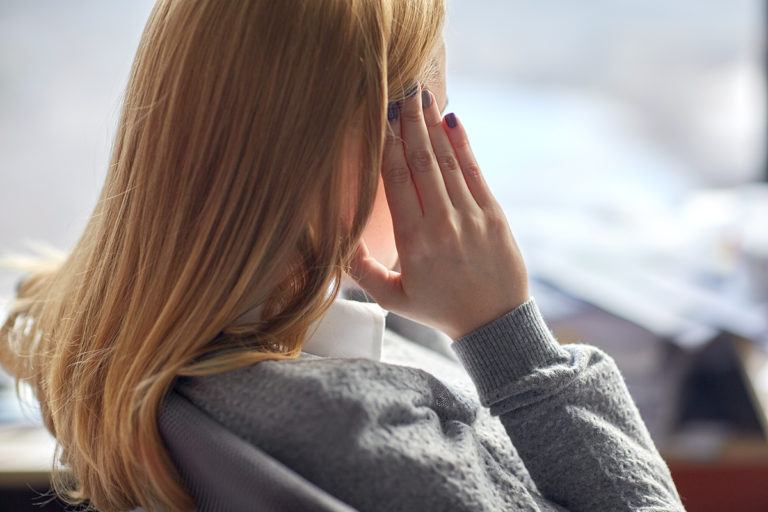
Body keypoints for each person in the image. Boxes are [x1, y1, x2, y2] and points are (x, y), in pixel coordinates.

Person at [0, 0, 685, 511]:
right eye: (434, 118)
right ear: (343, 153)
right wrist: (506, 332)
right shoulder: (356, 429)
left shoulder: (137, 326)